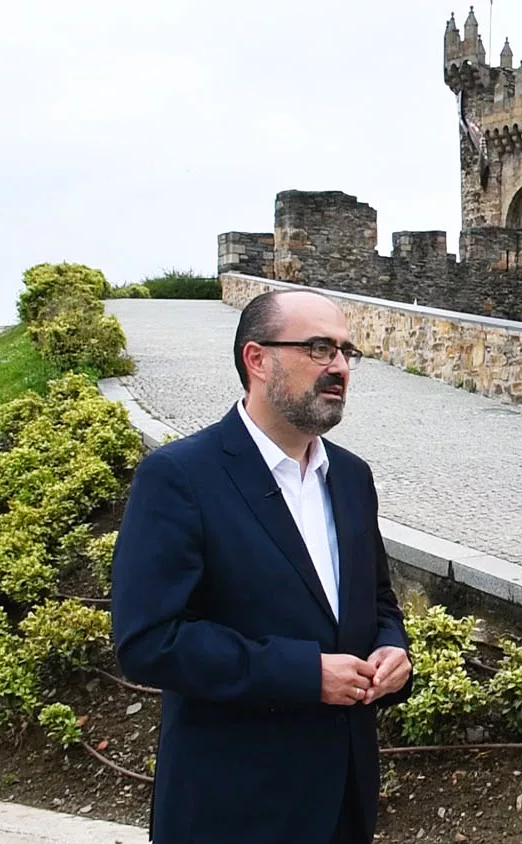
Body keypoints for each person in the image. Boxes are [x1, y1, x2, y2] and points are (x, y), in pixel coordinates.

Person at [112, 290, 413, 844]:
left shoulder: (352, 478)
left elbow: (377, 600)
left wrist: (393, 651)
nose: (340, 367)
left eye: (347, 351)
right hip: (233, 808)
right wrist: (305, 674)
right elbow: (149, 640)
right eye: (320, 348)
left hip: (345, 800)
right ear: (257, 359)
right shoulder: (180, 477)